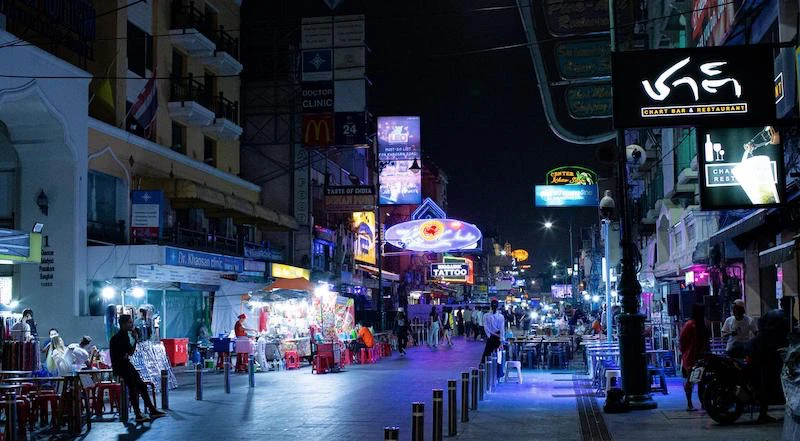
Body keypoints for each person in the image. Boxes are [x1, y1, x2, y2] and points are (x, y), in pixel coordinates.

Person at [110, 314, 165, 423]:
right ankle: (138, 413)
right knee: (133, 387)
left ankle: (151, 410)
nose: (132, 325)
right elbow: (128, 352)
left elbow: (129, 352)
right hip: (122, 366)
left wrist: (134, 340)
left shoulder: (125, 336)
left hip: (126, 364)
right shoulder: (119, 337)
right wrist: (134, 340)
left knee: (141, 385)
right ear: (123, 324)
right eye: (130, 323)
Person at [679, 304, 710, 411]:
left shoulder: (694, 324)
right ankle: (693, 404)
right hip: (694, 356)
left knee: (696, 380)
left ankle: (696, 403)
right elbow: (683, 341)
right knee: (694, 381)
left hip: (695, 356)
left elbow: (682, 341)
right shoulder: (693, 324)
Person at [480, 299, 505, 367]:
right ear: (498, 307)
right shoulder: (501, 316)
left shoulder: (486, 316)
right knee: (499, 357)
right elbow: (502, 329)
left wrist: (489, 336)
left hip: (491, 338)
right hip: (498, 338)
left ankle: (483, 370)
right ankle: (498, 372)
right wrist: (501, 341)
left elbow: (486, 328)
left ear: (490, 306)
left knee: (486, 354)